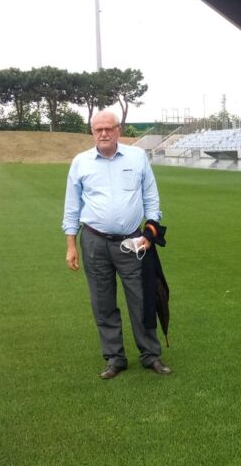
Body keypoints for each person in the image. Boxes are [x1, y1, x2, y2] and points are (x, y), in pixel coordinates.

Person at [63, 110, 171, 379]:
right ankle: (114, 357)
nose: (103, 133)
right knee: (103, 302)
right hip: (94, 242)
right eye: (98, 129)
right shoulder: (80, 163)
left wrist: (150, 231)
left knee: (142, 299)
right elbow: (72, 206)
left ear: (118, 130)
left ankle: (150, 355)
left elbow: (151, 198)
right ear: (92, 132)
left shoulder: (136, 157)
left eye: (108, 128)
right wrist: (71, 244)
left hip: (133, 242)